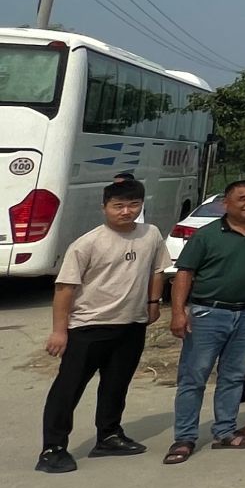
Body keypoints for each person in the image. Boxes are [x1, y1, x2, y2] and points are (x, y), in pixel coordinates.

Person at [37, 177, 169, 472]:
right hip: (89, 326)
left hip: (131, 324)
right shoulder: (87, 244)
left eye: (133, 204)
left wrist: (153, 303)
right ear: (104, 207)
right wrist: (59, 331)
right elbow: (65, 289)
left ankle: (109, 435)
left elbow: (157, 270)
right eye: (118, 206)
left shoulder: (150, 234)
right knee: (68, 388)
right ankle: (53, 448)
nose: (126, 211)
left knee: (116, 384)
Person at [165, 179, 245, 464]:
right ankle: (184, 437)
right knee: (194, 377)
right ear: (226, 204)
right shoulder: (206, 235)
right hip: (208, 314)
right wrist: (178, 312)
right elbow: (184, 273)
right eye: (242, 198)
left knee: (234, 376)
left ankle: (225, 431)